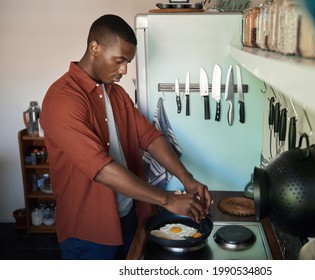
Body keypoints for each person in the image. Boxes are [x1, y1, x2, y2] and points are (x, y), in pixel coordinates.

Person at [40, 14, 212, 260]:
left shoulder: (116, 94)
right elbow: (99, 168)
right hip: (88, 231)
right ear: (94, 48)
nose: (123, 70)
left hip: (130, 214)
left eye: (127, 62)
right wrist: (166, 200)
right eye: (119, 60)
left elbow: (150, 136)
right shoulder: (62, 98)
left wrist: (187, 179)